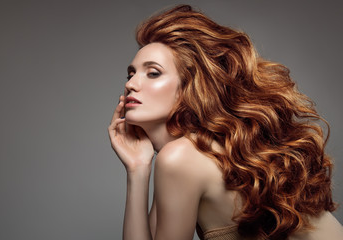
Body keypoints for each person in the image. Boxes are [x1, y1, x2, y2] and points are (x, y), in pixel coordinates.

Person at [108, 4, 343, 240]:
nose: (131, 84)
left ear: (190, 86)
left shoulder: (179, 158)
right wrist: (138, 169)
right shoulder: (189, 154)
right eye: (131, 73)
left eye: (153, 73)